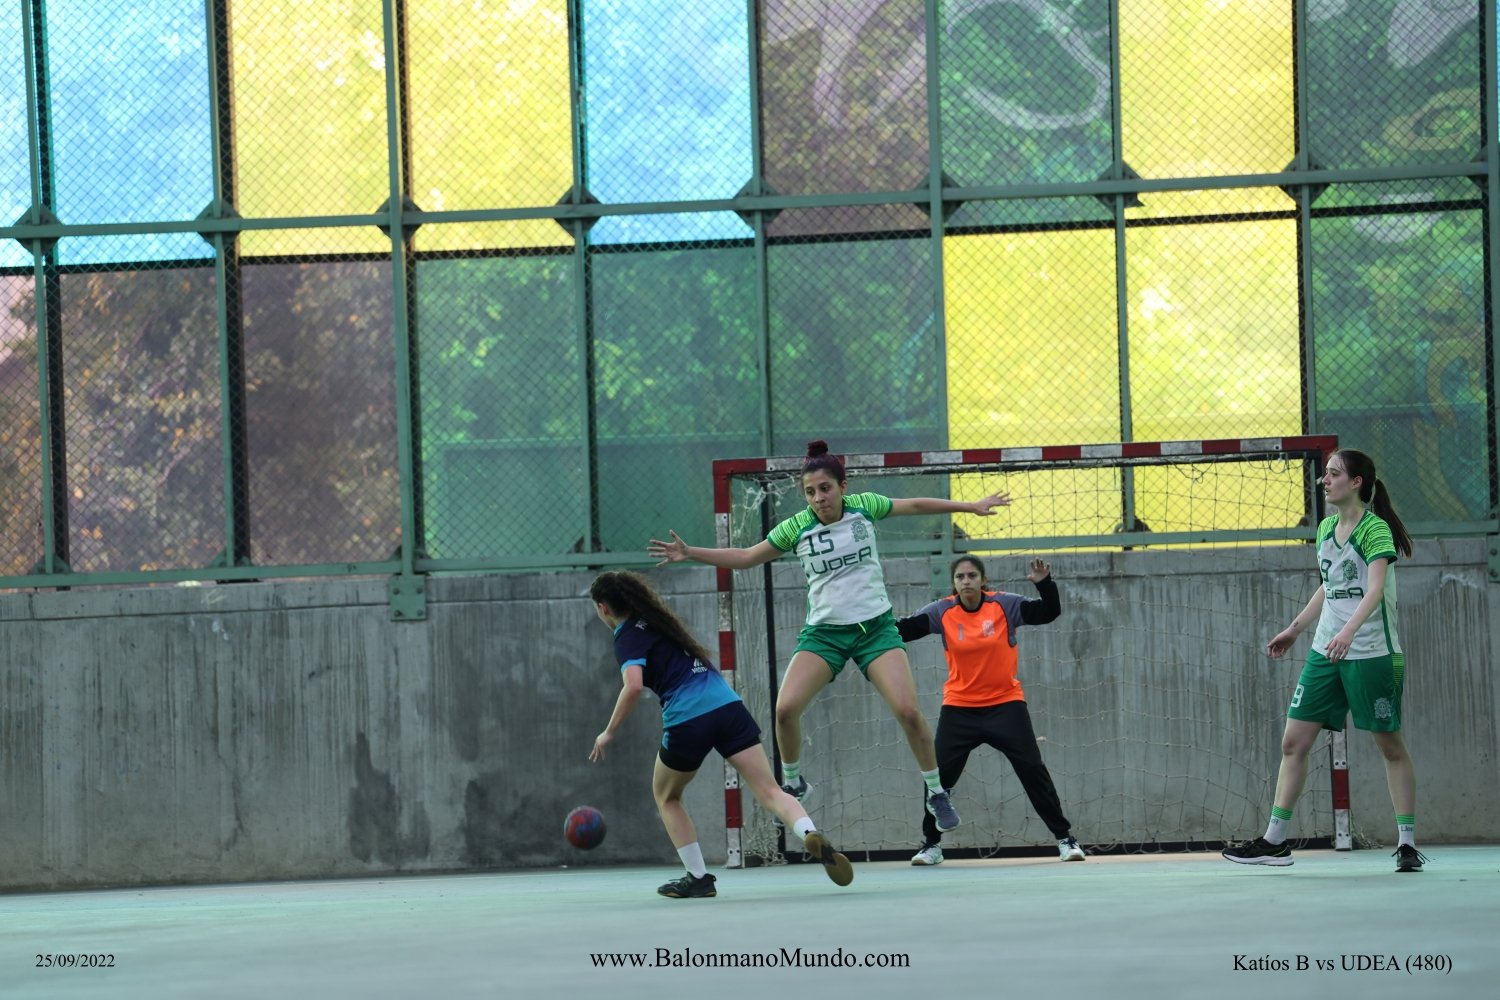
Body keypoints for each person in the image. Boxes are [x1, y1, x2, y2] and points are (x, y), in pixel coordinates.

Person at [649, 440, 1010, 836]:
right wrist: (691, 552)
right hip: (825, 635)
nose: (818, 498)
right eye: (810, 492)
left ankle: (936, 791)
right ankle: (793, 783)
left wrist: (970, 506)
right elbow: (748, 556)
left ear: (842, 486)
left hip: (875, 630)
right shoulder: (796, 527)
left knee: (908, 711)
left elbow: (916, 505)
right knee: (785, 709)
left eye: (825, 488)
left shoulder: (865, 507)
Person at [587, 570, 854, 898]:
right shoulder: (658, 620)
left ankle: (698, 878)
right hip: (728, 706)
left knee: (667, 796)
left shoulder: (626, 635)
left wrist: (608, 732)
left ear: (603, 608)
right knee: (770, 790)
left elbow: (632, 687)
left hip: (688, 718)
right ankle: (809, 832)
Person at [1222, 449, 1423, 873]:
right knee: (1293, 742)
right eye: (1325, 474)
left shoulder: (1375, 530)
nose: (1324, 480)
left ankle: (1406, 843)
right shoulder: (1326, 529)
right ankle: (1275, 841)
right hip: (1325, 651)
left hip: (1371, 653)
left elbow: (1374, 589)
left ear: (1356, 482)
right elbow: (1328, 587)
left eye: (1333, 474)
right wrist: (1295, 629)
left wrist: (1348, 632)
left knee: (1389, 746)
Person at [896, 555, 1085, 865]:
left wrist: (1044, 584)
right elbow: (903, 629)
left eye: (972, 575)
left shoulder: (1005, 605)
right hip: (959, 709)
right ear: (954, 583)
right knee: (937, 779)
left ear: (983, 580)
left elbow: (1049, 611)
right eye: (960, 577)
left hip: (1006, 706)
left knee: (1033, 770)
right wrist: (870, 618)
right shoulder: (943, 611)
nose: (966, 581)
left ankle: (1065, 839)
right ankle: (931, 845)